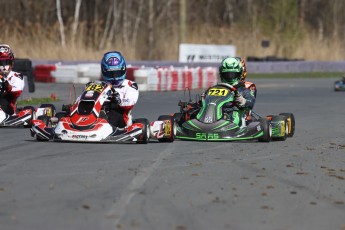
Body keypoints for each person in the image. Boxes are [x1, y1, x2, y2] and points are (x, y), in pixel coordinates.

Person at [100, 51, 139, 128]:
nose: (115, 77)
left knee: (113, 113)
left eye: (117, 73)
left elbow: (130, 102)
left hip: (121, 117)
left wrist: (119, 100)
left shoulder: (130, 85)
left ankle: (105, 127)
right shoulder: (100, 85)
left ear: (123, 69)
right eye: (110, 74)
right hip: (98, 112)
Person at [217, 56, 256, 127]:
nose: (229, 77)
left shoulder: (243, 89)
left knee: (234, 114)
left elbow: (251, 102)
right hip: (217, 112)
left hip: (237, 113)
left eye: (232, 75)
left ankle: (230, 127)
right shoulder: (217, 88)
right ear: (222, 74)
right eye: (227, 75)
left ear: (239, 74)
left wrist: (244, 101)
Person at [0, 44, 25, 115]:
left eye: (6, 63)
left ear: (11, 63)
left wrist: (8, 87)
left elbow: (18, 90)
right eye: (1, 63)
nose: (4, 66)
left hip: (8, 108)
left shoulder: (16, 76)